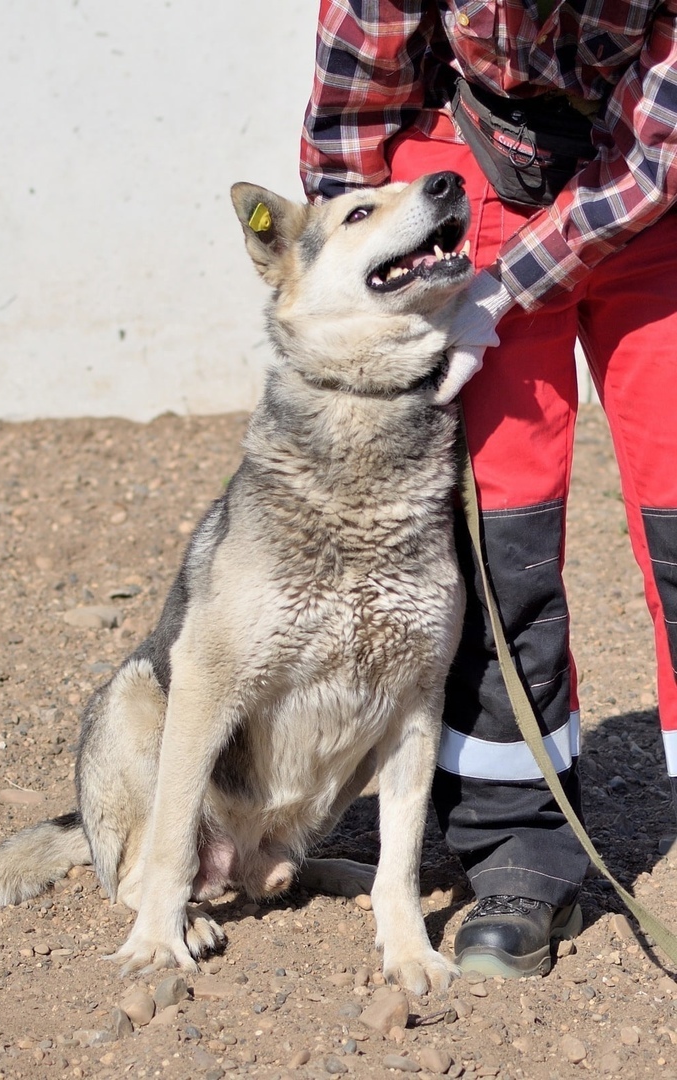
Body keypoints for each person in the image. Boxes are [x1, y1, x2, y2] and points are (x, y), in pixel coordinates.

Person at [301, 0, 677, 979]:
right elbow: (351, 128)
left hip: (653, 187)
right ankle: (518, 851)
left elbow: (655, 157)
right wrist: (375, 283)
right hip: (477, 173)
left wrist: (511, 288)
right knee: (501, 530)